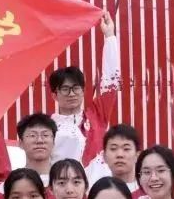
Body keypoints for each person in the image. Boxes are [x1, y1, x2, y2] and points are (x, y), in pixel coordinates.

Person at [47, 11, 121, 168]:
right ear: (54, 95)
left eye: (76, 88)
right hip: (61, 182)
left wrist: (109, 36)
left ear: (83, 91)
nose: (72, 94)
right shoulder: (47, 126)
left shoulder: (96, 116)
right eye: (65, 89)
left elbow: (111, 81)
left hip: (96, 183)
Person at [94, 124, 144, 197]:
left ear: (137, 155)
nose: (119, 154)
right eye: (113, 149)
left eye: (126, 149)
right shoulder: (97, 192)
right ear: (104, 156)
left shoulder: (147, 190)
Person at [16, 113, 58, 191]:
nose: (39, 140)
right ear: (21, 143)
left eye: (45, 135)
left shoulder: (61, 181)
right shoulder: (14, 182)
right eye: (32, 135)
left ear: (54, 142)